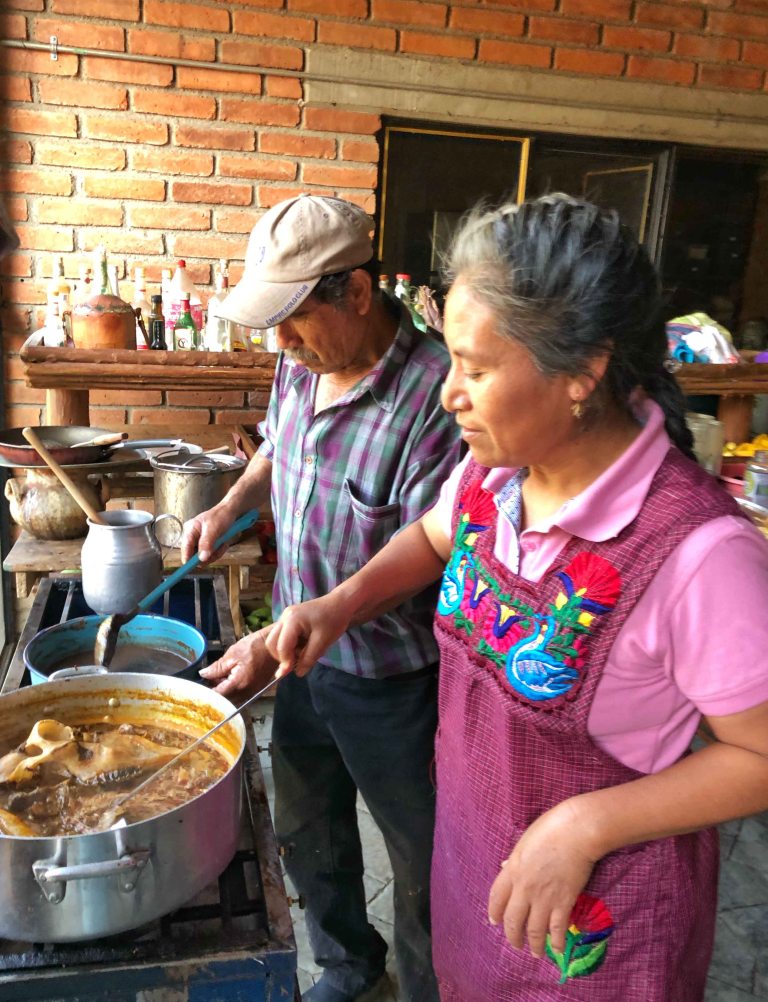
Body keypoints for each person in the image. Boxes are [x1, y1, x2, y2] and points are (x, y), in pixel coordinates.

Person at [263, 194, 768, 1001]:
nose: (447, 394)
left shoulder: (701, 554)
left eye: (477, 368)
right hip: (478, 869)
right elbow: (432, 539)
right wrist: (340, 604)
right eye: (451, 361)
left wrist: (587, 822)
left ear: (582, 371)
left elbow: (760, 754)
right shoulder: (493, 472)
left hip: (597, 927)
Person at [181, 194, 461, 1002]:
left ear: (359, 293)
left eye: (296, 316)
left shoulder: (439, 396)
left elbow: (429, 551)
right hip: (300, 657)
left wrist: (325, 617)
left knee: (421, 863)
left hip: (393, 681)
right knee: (308, 832)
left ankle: (426, 988)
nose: (282, 342)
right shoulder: (299, 361)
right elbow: (277, 441)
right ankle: (349, 966)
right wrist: (230, 505)